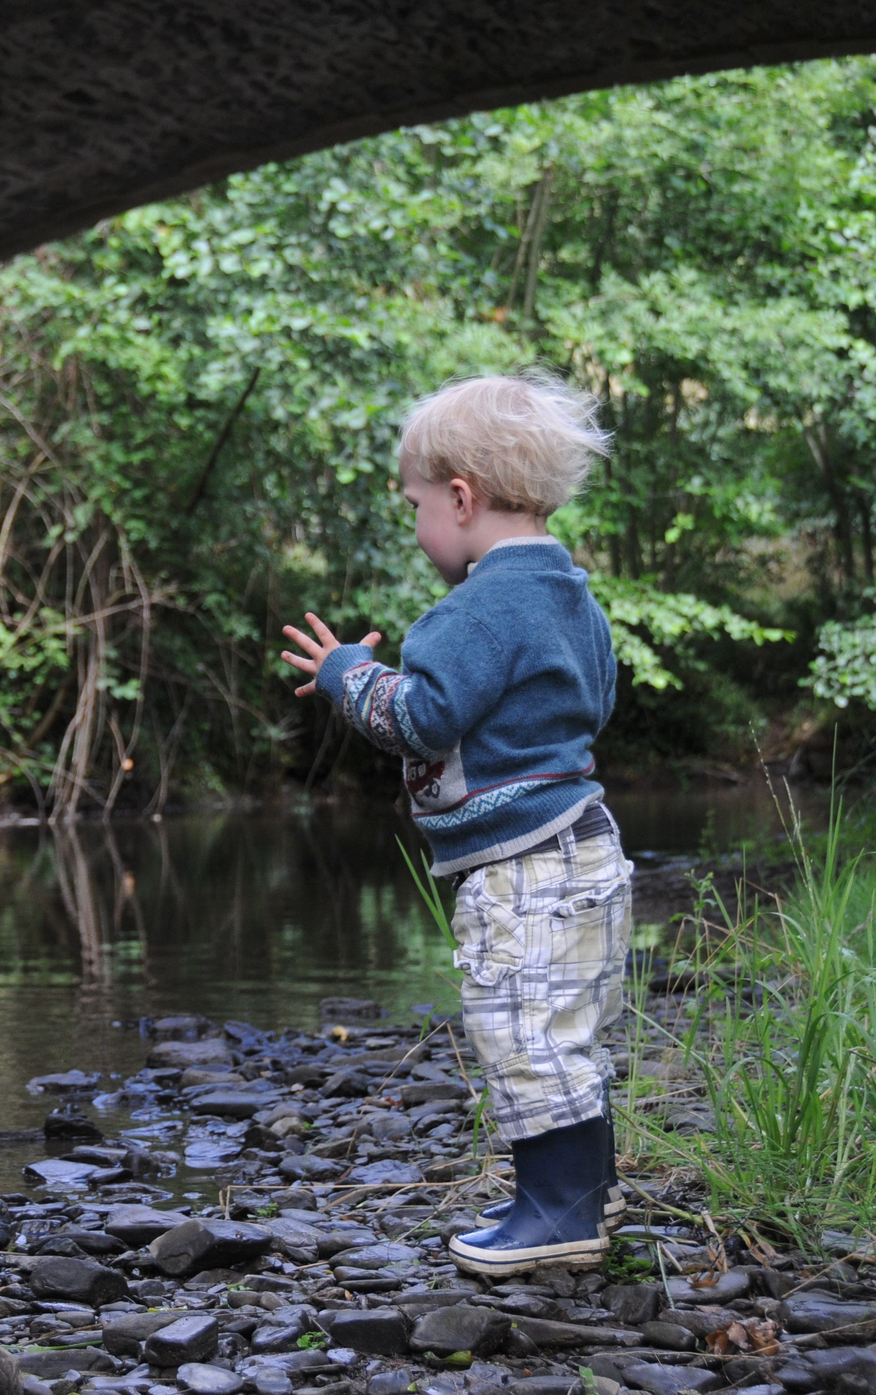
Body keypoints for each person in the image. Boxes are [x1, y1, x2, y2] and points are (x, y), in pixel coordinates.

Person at [279, 370, 633, 1276]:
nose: (416, 525)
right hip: (584, 842)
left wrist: (344, 676)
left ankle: (555, 1212)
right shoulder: (573, 598)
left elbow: (419, 718)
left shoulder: (475, 608)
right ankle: (580, 1192)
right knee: (568, 1025)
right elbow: (597, 700)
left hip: (524, 863)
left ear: (463, 498)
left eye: (416, 506)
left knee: (519, 1024)